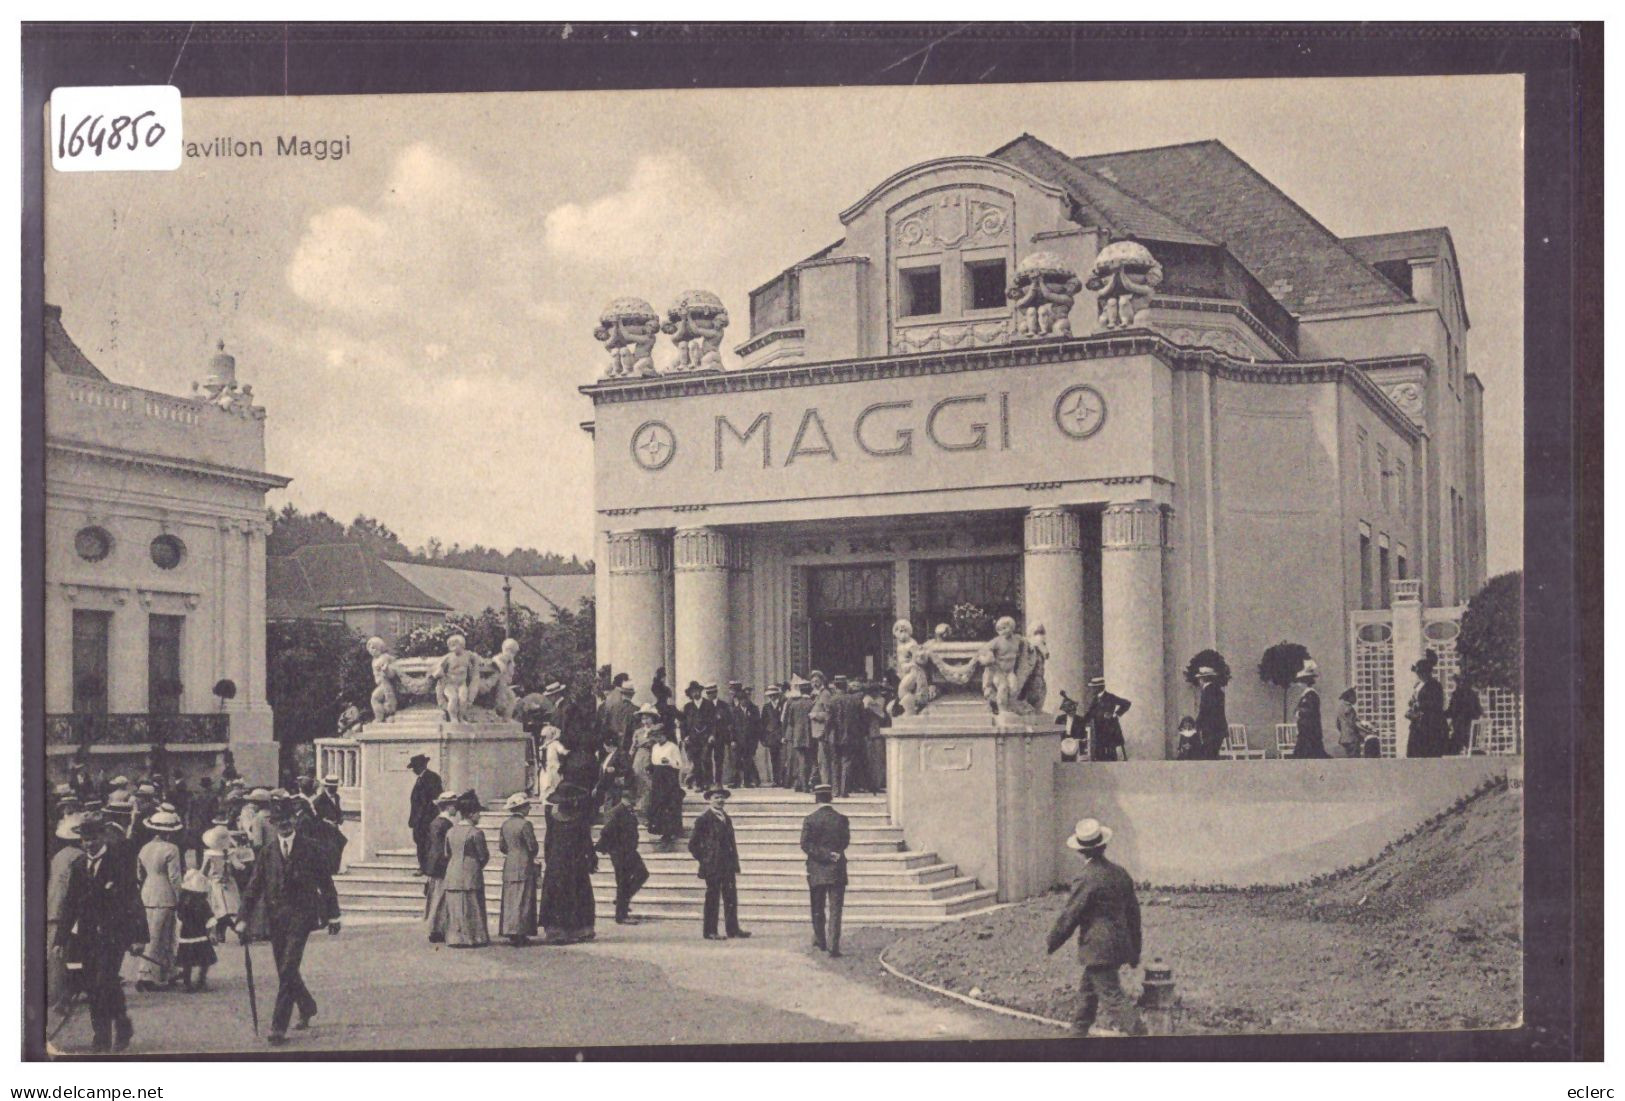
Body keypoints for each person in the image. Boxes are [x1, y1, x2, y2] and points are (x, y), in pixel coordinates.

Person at [238, 798, 341, 1045]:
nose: (284, 825)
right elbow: (254, 886)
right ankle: (306, 1005)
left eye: (287, 820)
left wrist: (334, 914)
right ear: (273, 824)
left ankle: (278, 1026)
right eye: (279, 822)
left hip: (302, 916)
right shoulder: (267, 852)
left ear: (294, 820)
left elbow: (326, 883)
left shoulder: (311, 848)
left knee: (287, 967)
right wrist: (243, 918)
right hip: (276, 918)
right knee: (285, 969)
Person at [54, 813, 146, 1052]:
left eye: (93, 838)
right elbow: (70, 905)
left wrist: (139, 937)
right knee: (95, 985)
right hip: (86, 936)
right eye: (84, 840)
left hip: (114, 936)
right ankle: (112, 1030)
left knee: (103, 981)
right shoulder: (78, 866)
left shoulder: (119, 862)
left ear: (102, 836)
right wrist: (60, 938)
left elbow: (133, 900)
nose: (89, 844)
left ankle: (108, 1035)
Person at [1046, 818, 1144, 1037]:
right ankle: (1075, 1039)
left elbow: (1070, 914)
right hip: (1118, 945)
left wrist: (1052, 941)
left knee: (1112, 998)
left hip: (1098, 949)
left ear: (1081, 851)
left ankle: (1143, 1039)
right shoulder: (1120, 873)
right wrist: (1135, 949)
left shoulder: (1086, 877)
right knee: (1087, 997)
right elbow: (1133, 915)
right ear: (1103, 845)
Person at [538, 783, 598, 945]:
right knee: (578, 892)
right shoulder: (580, 817)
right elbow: (586, 841)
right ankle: (580, 929)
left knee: (557, 893)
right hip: (575, 860)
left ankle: (556, 930)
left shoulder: (551, 815)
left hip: (557, 860)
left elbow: (548, 839)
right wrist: (591, 859)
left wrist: (548, 857)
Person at [688, 786, 750, 941]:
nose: (720, 800)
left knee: (731, 897)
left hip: (727, 864)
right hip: (713, 866)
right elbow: (693, 844)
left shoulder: (726, 817)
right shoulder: (703, 819)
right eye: (716, 797)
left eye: (722, 797)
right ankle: (710, 931)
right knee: (713, 898)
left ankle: (733, 929)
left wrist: (734, 863)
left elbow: (731, 843)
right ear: (709, 799)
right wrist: (706, 858)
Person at [134, 806, 184, 991]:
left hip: (147, 892)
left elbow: (139, 873)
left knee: (150, 934)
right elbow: (174, 877)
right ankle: (147, 975)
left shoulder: (145, 848)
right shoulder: (171, 849)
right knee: (162, 936)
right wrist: (180, 897)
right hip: (165, 894)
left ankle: (165, 971)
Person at [800, 783, 849, 956]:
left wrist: (824, 855)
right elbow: (845, 842)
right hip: (837, 868)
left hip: (816, 869)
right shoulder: (842, 819)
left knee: (817, 907)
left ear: (816, 798)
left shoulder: (810, 819)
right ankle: (833, 946)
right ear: (831, 798)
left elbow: (805, 845)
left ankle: (821, 941)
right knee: (836, 909)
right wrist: (832, 854)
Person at [46, 812, 85, 1018]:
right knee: (67, 954)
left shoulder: (59, 855)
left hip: (52, 905)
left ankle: (54, 994)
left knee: (55, 953)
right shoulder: (80, 857)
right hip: (65, 909)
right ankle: (61, 995)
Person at [442, 793, 491, 949]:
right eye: (478, 813)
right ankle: (474, 937)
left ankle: (455, 937)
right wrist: (476, 865)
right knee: (473, 905)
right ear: (471, 814)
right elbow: (483, 855)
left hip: (452, 872)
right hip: (471, 871)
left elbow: (446, 853)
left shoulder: (450, 831)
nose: (479, 816)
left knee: (456, 906)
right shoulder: (476, 833)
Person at [596, 783, 649, 925]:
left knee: (642, 874)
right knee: (623, 881)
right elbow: (606, 831)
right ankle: (621, 915)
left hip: (629, 851)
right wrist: (615, 848)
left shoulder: (628, 810)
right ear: (626, 798)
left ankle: (622, 900)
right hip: (621, 852)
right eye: (634, 797)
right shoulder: (618, 811)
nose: (636, 799)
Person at [497, 792, 539, 947]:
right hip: (523, 862)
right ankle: (520, 931)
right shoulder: (525, 825)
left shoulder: (505, 824)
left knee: (510, 898)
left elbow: (502, 846)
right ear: (522, 808)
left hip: (510, 863)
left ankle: (509, 929)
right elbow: (532, 846)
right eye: (527, 806)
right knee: (523, 898)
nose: (529, 809)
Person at [198, 810, 246, 942]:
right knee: (230, 910)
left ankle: (222, 933)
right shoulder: (229, 852)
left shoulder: (209, 854)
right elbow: (239, 866)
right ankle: (230, 930)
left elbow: (203, 870)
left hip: (214, 882)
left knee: (217, 910)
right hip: (229, 882)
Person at [422, 791, 459, 943]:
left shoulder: (435, 822)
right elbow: (441, 849)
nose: (456, 809)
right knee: (440, 899)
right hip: (441, 866)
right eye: (454, 806)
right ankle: (437, 929)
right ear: (448, 807)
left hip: (434, 865)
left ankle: (436, 928)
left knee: (436, 899)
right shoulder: (445, 824)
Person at [174, 869, 218, 991]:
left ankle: (187, 983)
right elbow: (210, 919)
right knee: (204, 960)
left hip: (186, 935)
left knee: (187, 962)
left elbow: (179, 917)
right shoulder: (203, 903)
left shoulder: (183, 903)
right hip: (201, 935)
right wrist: (212, 932)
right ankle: (201, 981)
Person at [646, 717, 686, 848]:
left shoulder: (672, 747)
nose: (658, 739)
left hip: (669, 778)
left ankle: (671, 831)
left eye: (660, 736)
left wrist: (668, 761)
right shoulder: (655, 747)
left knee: (669, 803)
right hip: (658, 778)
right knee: (658, 803)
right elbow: (654, 761)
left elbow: (679, 764)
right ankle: (661, 830)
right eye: (656, 737)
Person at [1405, 651, 1448, 758]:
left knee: (1428, 754)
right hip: (1418, 724)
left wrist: (1419, 705)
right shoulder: (1418, 685)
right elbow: (1414, 699)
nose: (1420, 675)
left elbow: (1437, 704)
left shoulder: (1435, 685)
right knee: (1414, 753)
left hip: (1431, 725)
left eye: (1422, 673)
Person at [406, 753, 443, 875]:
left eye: (415, 767)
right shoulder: (420, 779)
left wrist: (425, 817)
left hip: (427, 819)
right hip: (418, 819)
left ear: (421, 766)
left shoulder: (432, 778)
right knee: (420, 843)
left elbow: (434, 800)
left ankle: (427, 867)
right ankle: (423, 866)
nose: (413, 770)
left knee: (427, 843)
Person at [1083, 678, 1132, 761]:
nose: (1092, 689)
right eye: (1093, 687)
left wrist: (1115, 714)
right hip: (1098, 730)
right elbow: (1090, 713)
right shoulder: (1095, 699)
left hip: (1110, 729)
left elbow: (1127, 703)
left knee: (1111, 752)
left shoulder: (1110, 697)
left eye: (1094, 687)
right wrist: (1081, 721)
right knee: (1099, 753)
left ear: (1101, 687)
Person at [1290, 660, 1329, 758]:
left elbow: (1309, 711)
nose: (1298, 684)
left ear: (1305, 682)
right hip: (1306, 730)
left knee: (1307, 754)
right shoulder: (1306, 695)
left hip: (1309, 730)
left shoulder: (1310, 694)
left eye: (1300, 681)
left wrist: (1299, 712)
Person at [783, 677, 816, 793]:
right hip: (810, 736)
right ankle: (805, 784)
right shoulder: (813, 703)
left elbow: (790, 721)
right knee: (809, 761)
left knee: (800, 760)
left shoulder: (794, 704)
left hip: (797, 736)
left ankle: (800, 784)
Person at [728, 683, 762, 788]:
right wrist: (732, 740)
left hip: (750, 741)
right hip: (738, 741)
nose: (744, 701)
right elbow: (732, 727)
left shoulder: (754, 710)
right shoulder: (734, 711)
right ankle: (735, 781)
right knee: (736, 761)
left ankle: (747, 781)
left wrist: (756, 741)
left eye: (746, 699)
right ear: (739, 700)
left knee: (747, 760)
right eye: (742, 700)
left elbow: (758, 726)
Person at [680, 681, 710, 791]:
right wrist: (685, 737)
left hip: (705, 737)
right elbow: (683, 724)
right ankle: (698, 783)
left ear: (700, 691)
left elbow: (713, 722)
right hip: (692, 738)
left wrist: (711, 735)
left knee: (706, 759)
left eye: (697, 691)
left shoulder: (708, 704)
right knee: (696, 761)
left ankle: (707, 782)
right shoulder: (687, 707)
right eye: (693, 692)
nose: (695, 693)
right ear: (690, 694)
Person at [1193, 666, 1228, 761]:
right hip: (1219, 729)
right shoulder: (1219, 691)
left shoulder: (1207, 691)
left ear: (1202, 679)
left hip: (1210, 729)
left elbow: (1204, 710)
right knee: (1214, 755)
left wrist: (1197, 725)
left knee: (1207, 757)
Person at [702, 683, 731, 793]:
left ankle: (718, 782)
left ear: (716, 693)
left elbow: (728, 720)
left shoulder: (723, 705)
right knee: (706, 759)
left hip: (720, 737)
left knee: (719, 760)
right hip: (706, 737)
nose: (710, 695)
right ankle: (709, 782)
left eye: (712, 693)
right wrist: (708, 735)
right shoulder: (704, 705)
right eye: (708, 693)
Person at [808, 671, 835, 788]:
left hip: (823, 732)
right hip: (817, 732)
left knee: (823, 760)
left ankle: (826, 784)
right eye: (812, 681)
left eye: (817, 681)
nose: (814, 683)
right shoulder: (816, 694)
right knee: (819, 760)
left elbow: (829, 714)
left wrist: (815, 715)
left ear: (822, 681)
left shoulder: (825, 694)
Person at [1446, 680, 1483, 756]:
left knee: (1446, 747)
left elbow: (1451, 712)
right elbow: (1479, 711)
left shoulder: (1457, 695)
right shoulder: (1473, 695)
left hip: (1462, 736)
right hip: (1472, 735)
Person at [759, 683, 786, 787]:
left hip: (781, 736)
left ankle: (783, 779)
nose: (772, 697)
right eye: (770, 696)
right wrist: (764, 737)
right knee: (774, 759)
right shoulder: (766, 707)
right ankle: (776, 780)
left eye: (774, 695)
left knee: (783, 759)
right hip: (771, 737)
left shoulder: (783, 705)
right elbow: (763, 723)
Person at [1055, 692, 1087, 761]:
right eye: (1070, 710)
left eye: (1074, 710)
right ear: (1066, 711)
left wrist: (1078, 740)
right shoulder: (1060, 719)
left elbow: (1082, 734)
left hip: (1075, 742)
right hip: (1062, 742)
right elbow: (1056, 732)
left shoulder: (1080, 719)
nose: (1073, 712)